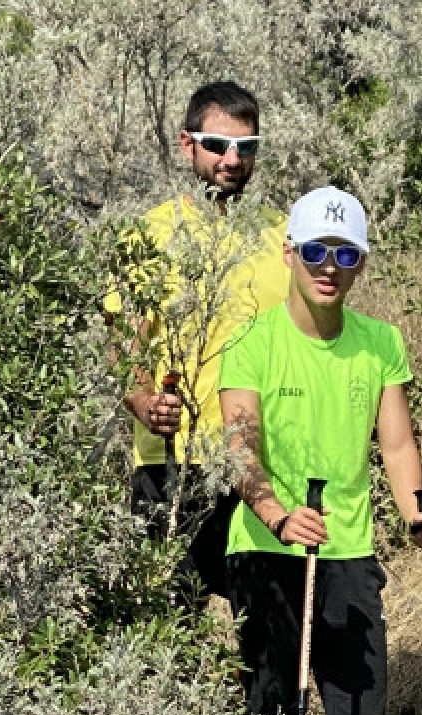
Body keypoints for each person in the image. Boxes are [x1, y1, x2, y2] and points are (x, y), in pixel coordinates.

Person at [218, 186, 422, 715]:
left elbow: (398, 447)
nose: (330, 267)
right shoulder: (251, 343)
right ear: (289, 252)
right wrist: (277, 515)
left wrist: (418, 514)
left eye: (346, 255)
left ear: (362, 263)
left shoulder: (380, 343)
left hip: (348, 549)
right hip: (269, 550)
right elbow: (239, 451)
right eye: (318, 251)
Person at [103, 81, 290, 607]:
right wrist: (142, 401)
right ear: (188, 145)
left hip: (262, 462)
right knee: (168, 624)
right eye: (218, 144)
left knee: (267, 629)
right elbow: (124, 340)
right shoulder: (149, 234)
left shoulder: (284, 237)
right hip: (174, 462)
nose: (232, 159)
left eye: (246, 147)